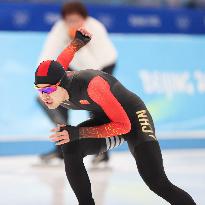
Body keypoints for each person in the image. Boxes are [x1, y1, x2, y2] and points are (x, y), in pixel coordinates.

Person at [34, 28, 196, 205]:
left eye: (48, 90)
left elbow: (124, 126)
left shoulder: (92, 86)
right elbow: (63, 59)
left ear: (61, 83)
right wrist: (78, 42)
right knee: (69, 146)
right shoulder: (56, 77)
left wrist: (78, 133)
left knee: (157, 182)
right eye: (39, 90)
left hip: (132, 119)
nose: (44, 96)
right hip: (107, 118)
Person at [38, 1, 117, 164]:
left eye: (77, 20)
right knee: (58, 99)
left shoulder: (95, 28)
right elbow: (47, 55)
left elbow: (95, 68)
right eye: (69, 20)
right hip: (73, 63)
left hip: (103, 65)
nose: (73, 24)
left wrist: (78, 43)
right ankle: (61, 147)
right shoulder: (60, 29)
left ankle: (101, 150)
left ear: (84, 19)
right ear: (64, 20)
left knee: (95, 103)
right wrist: (43, 81)